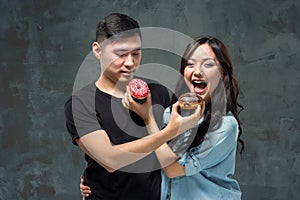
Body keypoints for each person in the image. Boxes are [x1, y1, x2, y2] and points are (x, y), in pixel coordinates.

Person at [81, 36, 245, 199]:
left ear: (222, 72)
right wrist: (95, 178)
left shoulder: (224, 125)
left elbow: (172, 169)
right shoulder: (170, 113)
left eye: (208, 64)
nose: (197, 72)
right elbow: (148, 153)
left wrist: (149, 118)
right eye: (190, 64)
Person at [64, 13, 202, 200]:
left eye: (136, 54)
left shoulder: (158, 92)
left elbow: (174, 158)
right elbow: (111, 160)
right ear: (97, 50)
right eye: (120, 54)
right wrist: (169, 131)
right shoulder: (81, 104)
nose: (130, 63)